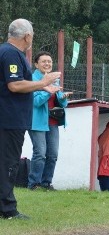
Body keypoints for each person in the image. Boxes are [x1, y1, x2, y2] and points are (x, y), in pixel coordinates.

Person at [0, 19, 61, 219]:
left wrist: (42, 87)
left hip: (9, 117)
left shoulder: (6, 51)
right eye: (32, 36)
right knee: (9, 164)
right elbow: (14, 85)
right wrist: (43, 81)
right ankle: (7, 210)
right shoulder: (11, 53)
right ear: (27, 36)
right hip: (10, 119)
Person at [28, 51, 71, 191]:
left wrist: (63, 98)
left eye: (49, 62)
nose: (47, 64)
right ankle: (34, 183)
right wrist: (48, 91)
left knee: (52, 154)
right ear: (36, 64)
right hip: (37, 122)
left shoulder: (55, 79)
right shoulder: (32, 80)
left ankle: (47, 183)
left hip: (53, 122)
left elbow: (62, 104)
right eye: (44, 61)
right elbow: (35, 102)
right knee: (40, 153)